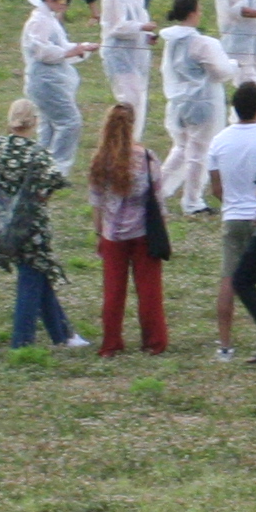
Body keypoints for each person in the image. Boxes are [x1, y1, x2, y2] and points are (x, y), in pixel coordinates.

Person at [0, 98, 84, 351]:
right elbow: (54, 181)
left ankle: (62, 333)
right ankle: (22, 340)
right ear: (34, 121)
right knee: (31, 278)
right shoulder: (38, 153)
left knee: (38, 274)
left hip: (5, 221)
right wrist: (40, 197)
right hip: (32, 225)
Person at [203, 80, 256, 360]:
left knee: (229, 280)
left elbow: (216, 187)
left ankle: (225, 346)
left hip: (233, 216)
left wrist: (231, 204)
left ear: (233, 109)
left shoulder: (220, 140)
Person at [87, 100, 165, 357]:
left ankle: (111, 343)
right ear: (133, 125)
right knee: (149, 290)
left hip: (112, 234)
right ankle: (154, 342)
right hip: (143, 232)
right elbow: (158, 199)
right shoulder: (146, 157)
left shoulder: (100, 160)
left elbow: (96, 202)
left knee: (113, 291)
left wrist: (100, 233)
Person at [156, 0, 238, 212]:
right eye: (199, 9)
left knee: (181, 149)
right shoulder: (202, 43)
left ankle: (157, 191)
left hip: (178, 103)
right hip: (202, 104)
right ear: (193, 13)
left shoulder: (171, 42)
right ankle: (192, 201)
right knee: (198, 154)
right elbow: (220, 72)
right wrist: (233, 64)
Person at [20, 0, 95, 172]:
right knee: (70, 122)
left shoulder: (49, 18)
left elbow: (61, 47)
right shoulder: (39, 21)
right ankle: (57, 169)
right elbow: (41, 51)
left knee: (49, 125)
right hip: (45, 81)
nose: (64, 2)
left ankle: (40, 167)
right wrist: (70, 51)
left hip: (51, 80)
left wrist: (83, 48)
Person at [97, 0, 155, 128]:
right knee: (129, 98)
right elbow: (117, 27)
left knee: (138, 96)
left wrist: (148, 35)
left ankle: (134, 137)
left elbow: (141, 19)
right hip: (118, 54)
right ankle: (123, 134)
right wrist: (141, 27)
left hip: (136, 54)